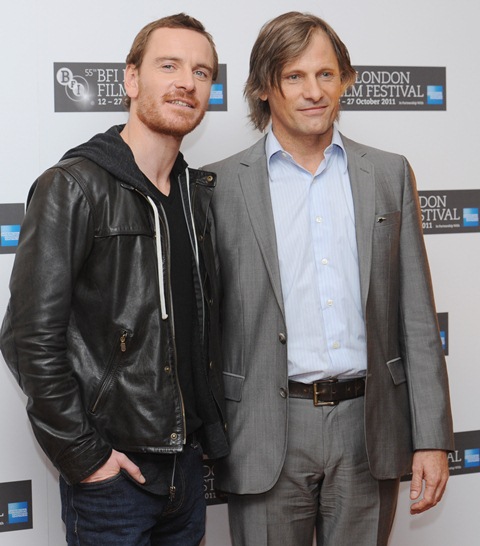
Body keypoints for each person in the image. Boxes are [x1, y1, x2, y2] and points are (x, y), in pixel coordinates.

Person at [203, 11, 454, 546]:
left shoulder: (388, 173)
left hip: (369, 428)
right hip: (265, 431)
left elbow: (416, 315)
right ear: (263, 88)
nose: (314, 92)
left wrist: (431, 437)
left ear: (345, 79)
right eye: (294, 76)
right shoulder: (217, 186)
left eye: (325, 74)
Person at [0, 13, 228, 546]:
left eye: (200, 72)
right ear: (131, 79)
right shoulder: (74, 186)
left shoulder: (196, 196)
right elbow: (27, 338)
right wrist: (87, 458)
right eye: (168, 65)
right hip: (114, 478)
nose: (186, 82)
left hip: (187, 468)